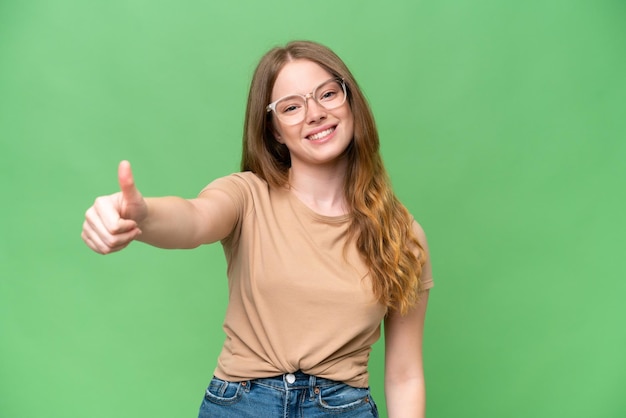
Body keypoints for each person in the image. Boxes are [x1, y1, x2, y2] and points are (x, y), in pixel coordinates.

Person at [82, 40, 434, 418]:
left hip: (342, 408)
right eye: (292, 107)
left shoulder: (402, 233)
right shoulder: (246, 195)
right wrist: (142, 215)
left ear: (350, 101)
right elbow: (195, 219)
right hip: (243, 405)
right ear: (275, 131)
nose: (314, 113)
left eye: (328, 94)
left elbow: (404, 374)